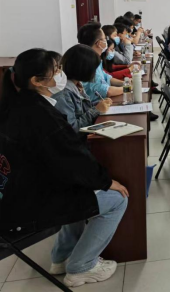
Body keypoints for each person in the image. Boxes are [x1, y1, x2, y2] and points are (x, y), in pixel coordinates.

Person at [0, 49, 128, 288]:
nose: (61, 73)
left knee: (79, 189)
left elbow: (65, 156)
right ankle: (81, 267)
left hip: (21, 194)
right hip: (29, 205)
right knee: (117, 199)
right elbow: (70, 157)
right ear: (36, 81)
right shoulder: (39, 114)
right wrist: (106, 181)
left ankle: (61, 257)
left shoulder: (19, 104)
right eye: (56, 70)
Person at [53, 44, 113, 132]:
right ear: (84, 69)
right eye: (93, 69)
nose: (95, 73)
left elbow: (83, 109)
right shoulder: (64, 94)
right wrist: (96, 110)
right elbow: (73, 129)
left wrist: (98, 104)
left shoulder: (77, 84)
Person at [77, 22, 124, 104]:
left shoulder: (96, 59)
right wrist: (128, 88)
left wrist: (124, 83)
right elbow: (105, 91)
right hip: (94, 106)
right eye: (105, 39)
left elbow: (106, 78)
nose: (106, 41)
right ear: (99, 43)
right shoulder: (88, 63)